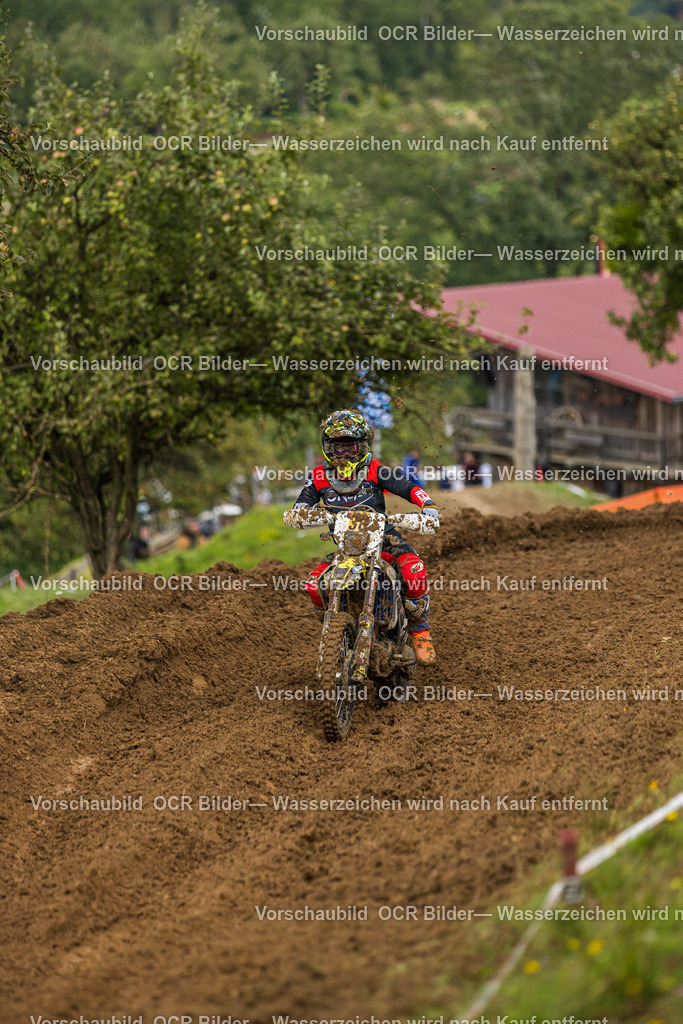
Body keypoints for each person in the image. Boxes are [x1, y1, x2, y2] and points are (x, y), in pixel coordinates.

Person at [292, 409, 439, 666]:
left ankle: (420, 631)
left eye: (352, 448)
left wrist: (427, 505)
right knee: (314, 584)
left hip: (383, 541)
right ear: (327, 447)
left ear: (364, 446)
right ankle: (335, 629)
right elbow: (301, 505)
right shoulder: (318, 476)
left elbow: (406, 487)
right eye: (338, 449)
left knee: (414, 570)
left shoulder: (374, 470)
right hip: (346, 549)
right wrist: (301, 515)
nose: (345, 455)